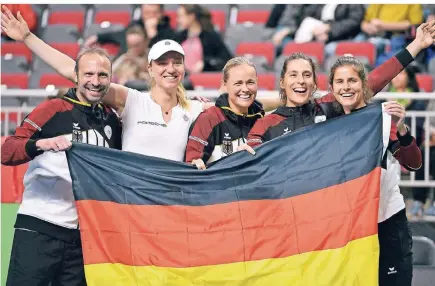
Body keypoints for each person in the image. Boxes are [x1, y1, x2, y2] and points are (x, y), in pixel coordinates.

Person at [1, 13, 123, 284]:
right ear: (76, 76)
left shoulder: (112, 119)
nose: (95, 80)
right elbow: (7, 151)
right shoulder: (53, 109)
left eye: (103, 75)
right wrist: (40, 144)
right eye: (88, 74)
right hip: (39, 226)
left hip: (83, 235)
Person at [246, 20, 435, 147]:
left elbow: (377, 78)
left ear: (314, 83)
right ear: (282, 82)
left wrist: (417, 45)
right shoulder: (265, 125)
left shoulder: (327, 107)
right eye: (293, 75)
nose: (300, 81)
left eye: (306, 75)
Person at [329, 55, 421, 286]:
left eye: (352, 80)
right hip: (348, 227)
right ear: (331, 88)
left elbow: (413, 163)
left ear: (363, 84)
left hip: (387, 222)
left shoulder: (381, 118)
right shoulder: (324, 124)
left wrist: (401, 131)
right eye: (339, 82)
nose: (346, 87)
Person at [185, 57, 267, 169]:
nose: (245, 89)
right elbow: (192, 164)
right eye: (238, 83)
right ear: (224, 85)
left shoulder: (262, 120)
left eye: (250, 82)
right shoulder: (209, 118)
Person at [176, 4, 233, 73]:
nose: (177, 20)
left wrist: (205, 63)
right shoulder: (180, 36)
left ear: (191, 16)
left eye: (181, 16)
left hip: (205, 76)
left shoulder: (210, 36)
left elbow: (226, 60)